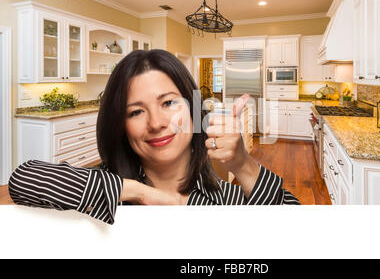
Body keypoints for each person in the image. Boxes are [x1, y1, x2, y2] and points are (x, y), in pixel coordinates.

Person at [8, 49, 300, 225]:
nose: (156, 123)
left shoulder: (227, 200)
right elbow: (25, 179)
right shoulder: (104, 196)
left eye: (169, 102)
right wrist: (145, 194)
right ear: (120, 125)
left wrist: (243, 164)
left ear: (193, 108)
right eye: (135, 112)